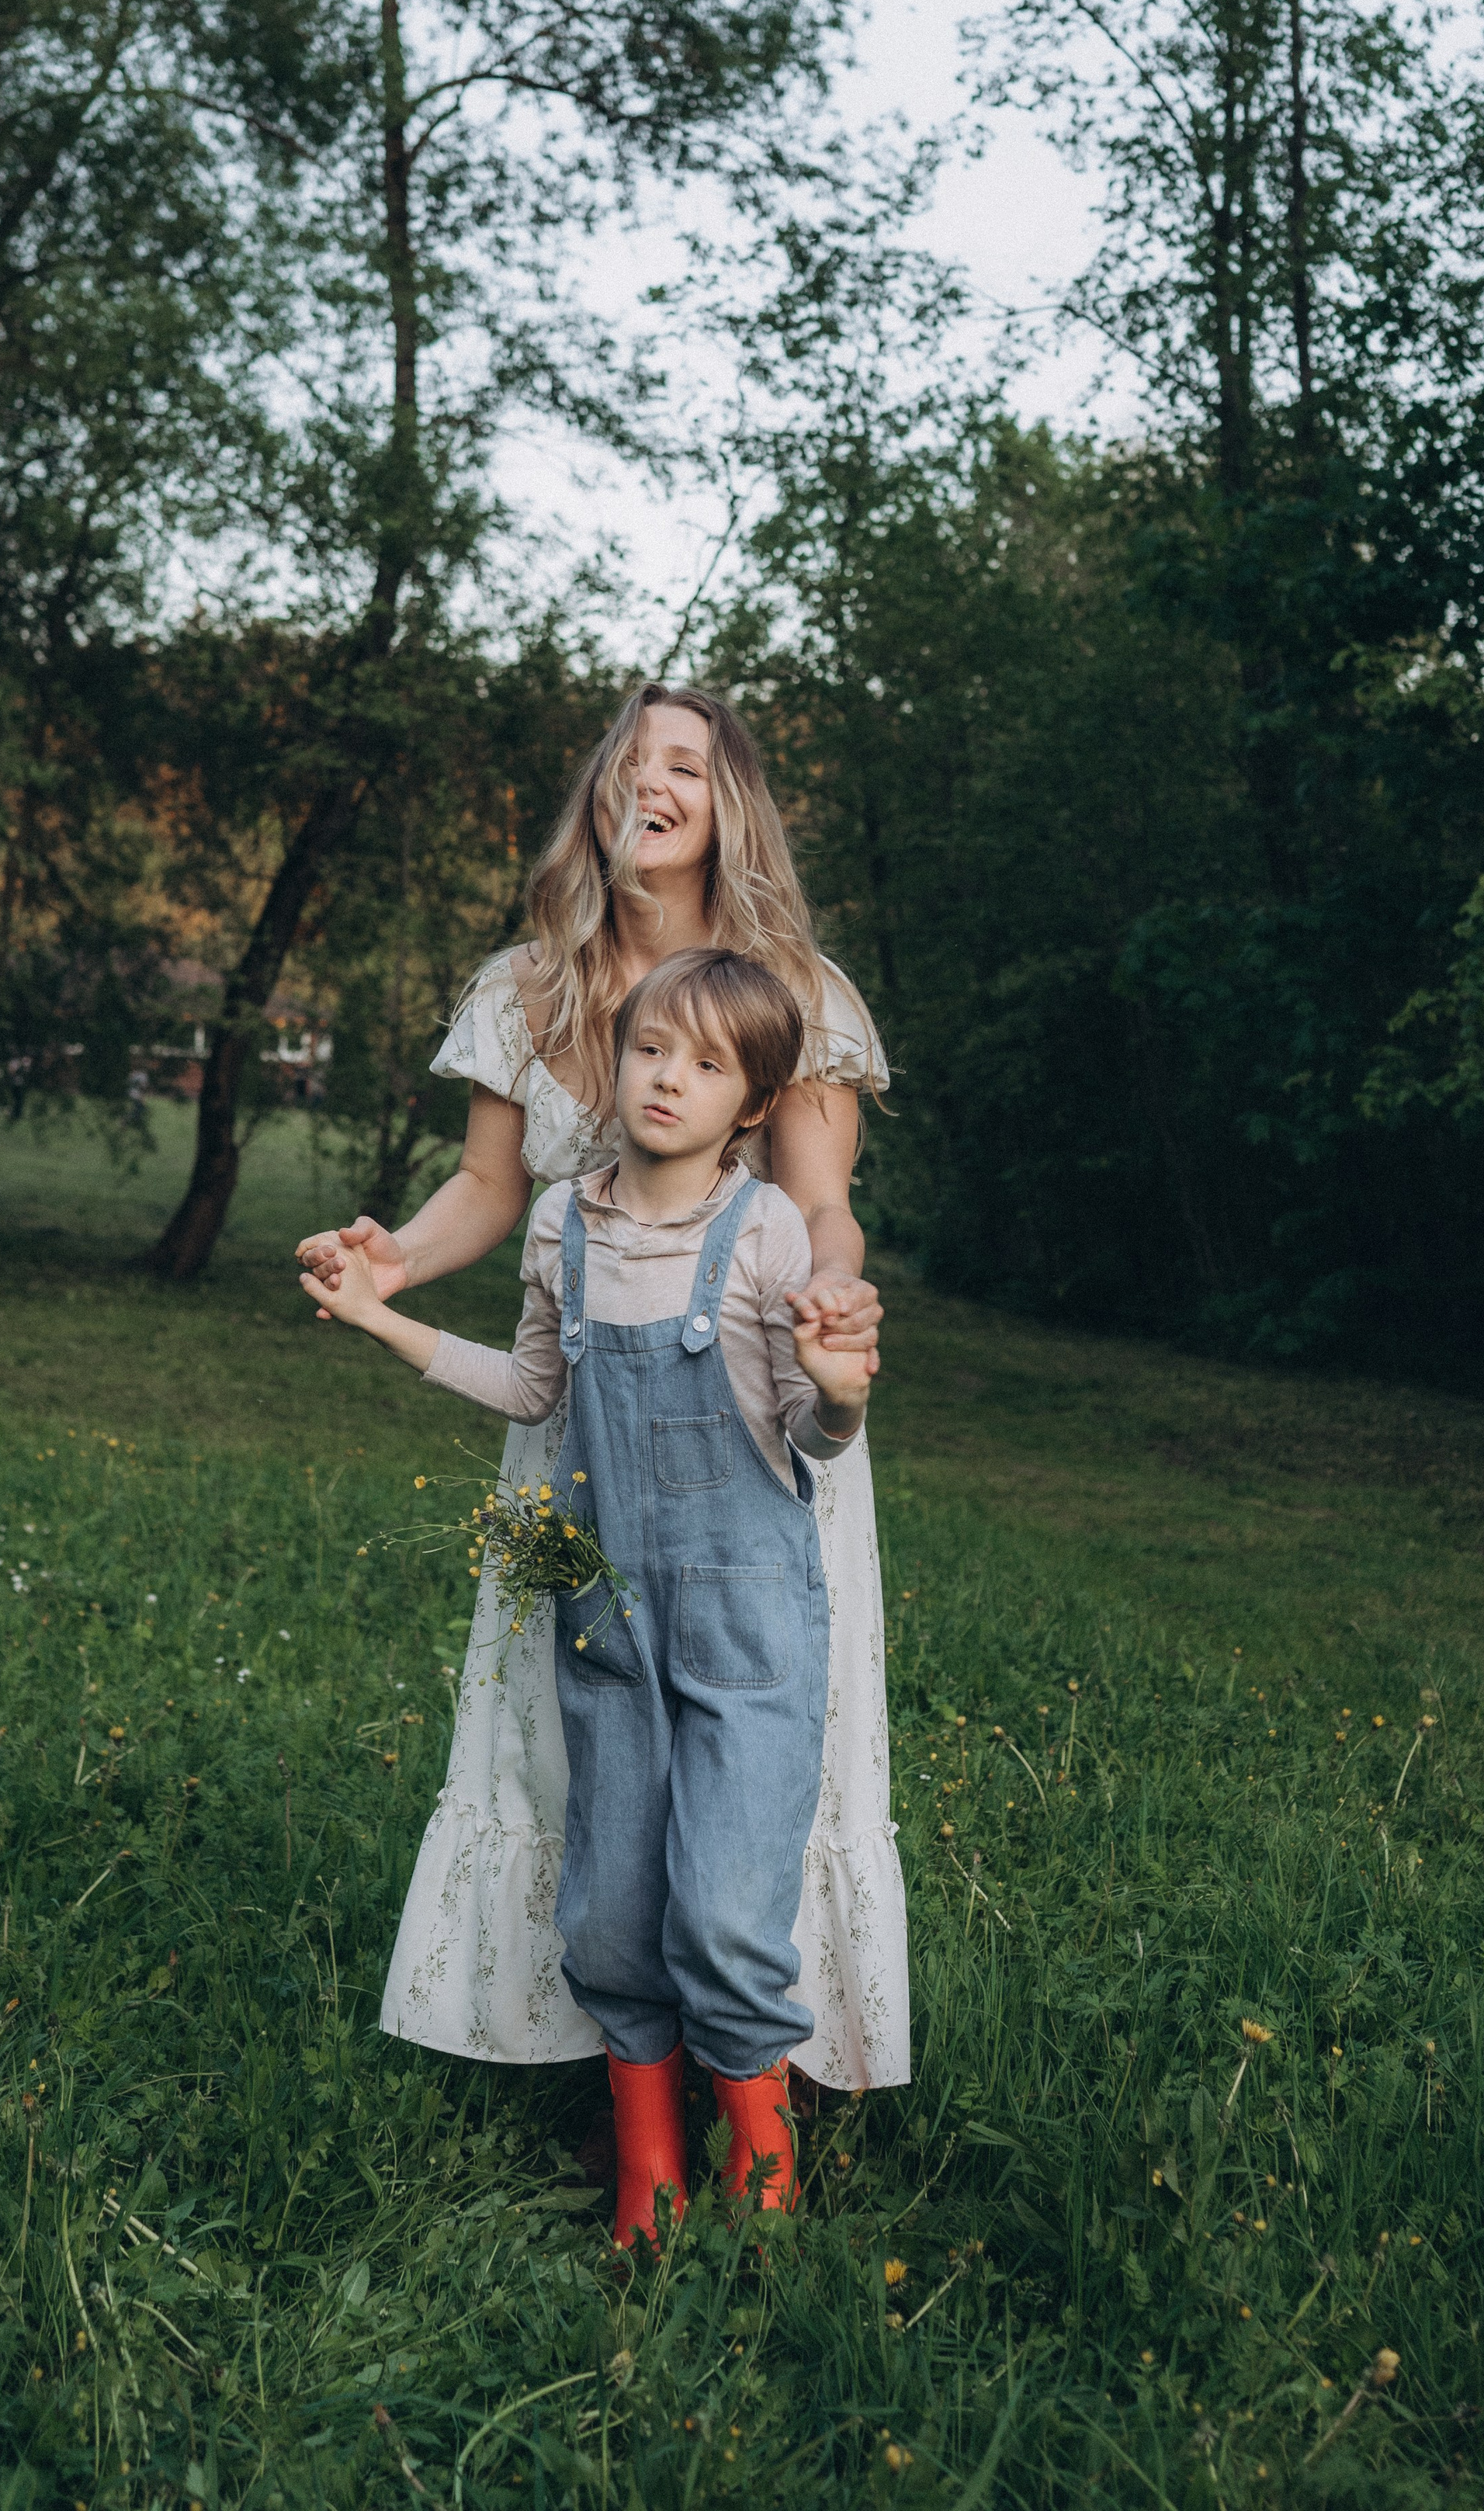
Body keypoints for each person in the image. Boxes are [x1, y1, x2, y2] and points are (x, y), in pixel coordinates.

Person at [296, 686, 909, 2092]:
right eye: (629, 763)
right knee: (578, 1738)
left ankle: (752, 2067)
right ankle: (600, 2049)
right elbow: (488, 1191)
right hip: (573, 1438)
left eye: (683, 764)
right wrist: (393, 1259)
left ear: (726, 803)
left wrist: (835, 1305)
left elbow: (826, 1208)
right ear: (601, 800)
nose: (650, 782)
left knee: (756, 1748)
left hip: (759, 1438)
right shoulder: (530, 985)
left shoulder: (798, 996)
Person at [304, 949, 873, 2242]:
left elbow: (809, 1438)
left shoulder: (767, 1229)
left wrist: (839, 1387)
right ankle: (648, 2175)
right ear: (613, 1062)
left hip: (748, 1625)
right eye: (652, 1049)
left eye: (710, 1064)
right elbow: (531, 1391)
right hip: (605, 1611)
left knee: (727, 1913)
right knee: (613, 1911)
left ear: (752, 1103)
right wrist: (383, 1318)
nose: (670, 1079)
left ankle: (766, 2179)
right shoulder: (565, 1222)